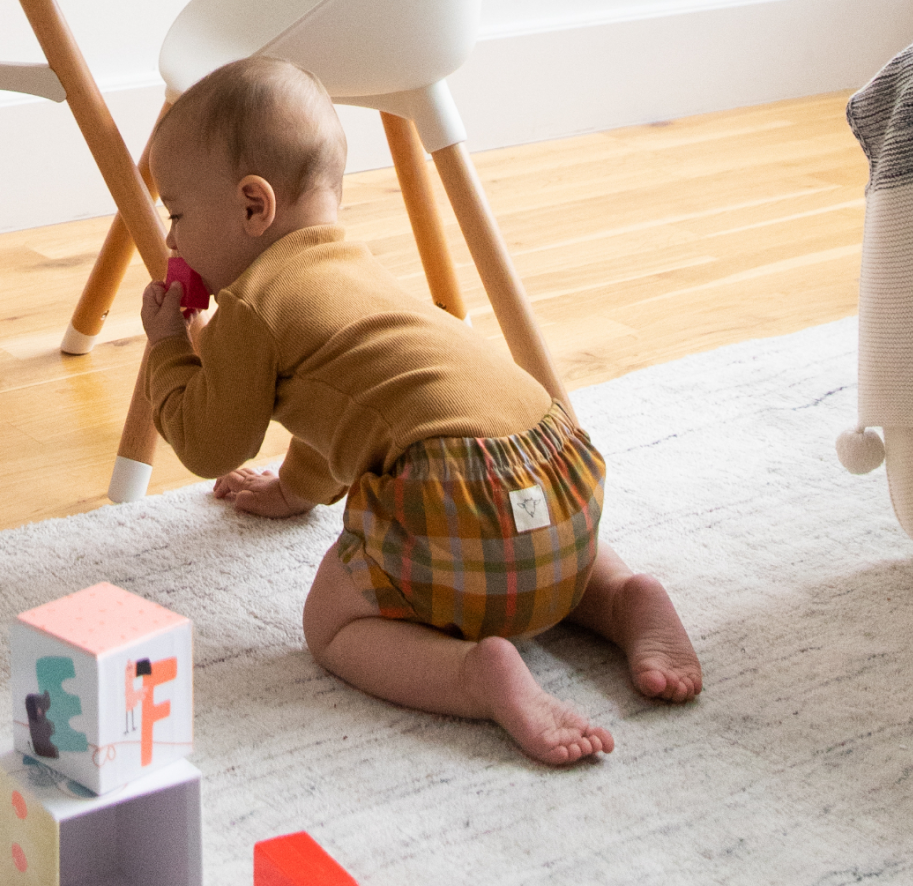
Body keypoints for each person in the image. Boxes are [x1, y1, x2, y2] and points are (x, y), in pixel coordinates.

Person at [139, 56, 701, 763]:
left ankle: (475, 676)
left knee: (331, 622)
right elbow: (351, 414)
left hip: (463, 502)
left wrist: (169, 349)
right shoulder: (355, 271)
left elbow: (207, 443)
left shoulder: (252, 309)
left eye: (178, 214)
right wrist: (292, 489)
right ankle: (621, 595)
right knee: (520, 536)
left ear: (254, 206)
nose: (170, 240)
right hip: (561, 474)